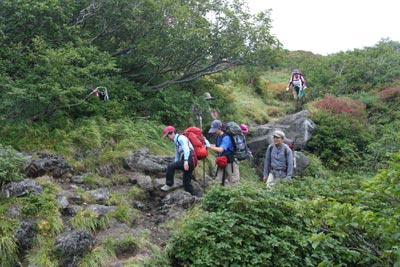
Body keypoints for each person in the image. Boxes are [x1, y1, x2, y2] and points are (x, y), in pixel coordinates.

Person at [161, 126, 198, 196]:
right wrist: (176, 164)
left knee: (171, 166)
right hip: (190, 159)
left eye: (167, 136)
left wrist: (186, 162)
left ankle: (169, 184)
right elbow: (177, 155)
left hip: (190, 158)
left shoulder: (181, 138)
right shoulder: (176, 141)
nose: (168, 138)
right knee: (186, 183)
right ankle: (195, 197)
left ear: (172, 133)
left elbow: (187, 149)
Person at [208, 120, 240, 185]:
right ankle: (218, 194)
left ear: (220, 128)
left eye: (215, 130)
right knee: (218, 181)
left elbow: (220, 149)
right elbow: (217, 146)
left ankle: (234, 194)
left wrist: (209, 147)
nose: (214, 132)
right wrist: (208, 144)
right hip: (222, 162)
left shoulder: (226, 138)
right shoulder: (218, 137)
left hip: (230, 162)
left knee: (234, 182)